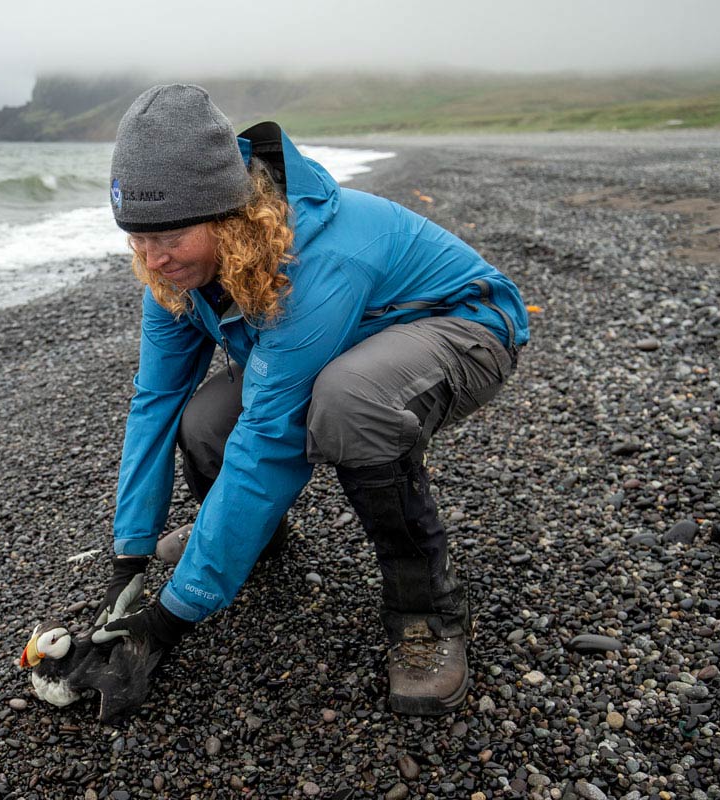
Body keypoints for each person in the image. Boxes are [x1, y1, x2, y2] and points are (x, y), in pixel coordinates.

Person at [88, 84, 528, 715]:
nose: (153, 260)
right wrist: (129, 555)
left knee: (347, 403)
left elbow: (271, 438)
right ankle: (248, 539)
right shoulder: (171, 270)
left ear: (229, 218)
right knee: (206, 421)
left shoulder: (316, 259)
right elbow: (154, 399)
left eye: (172, 238)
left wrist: (167, 622)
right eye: (137, 237)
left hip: (466, 328)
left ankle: (426, 611)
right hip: (349, 338)